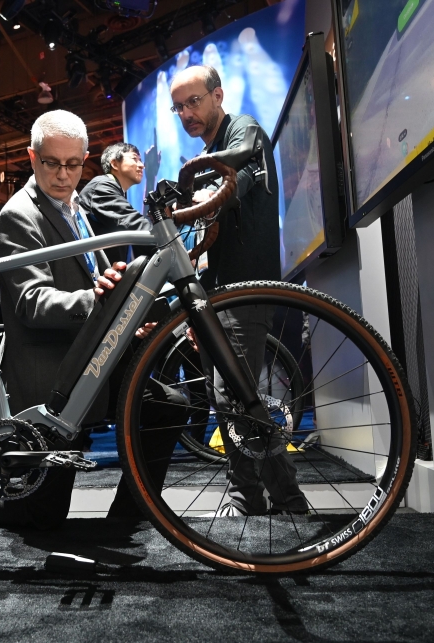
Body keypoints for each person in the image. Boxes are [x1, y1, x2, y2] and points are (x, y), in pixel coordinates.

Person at [0, 110, 187, 529]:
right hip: (54, 377)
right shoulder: (19, 214)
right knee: (39, 518)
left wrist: (125, 316)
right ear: (32, 157)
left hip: (93, 361)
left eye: (73, 164)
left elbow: (99, 272)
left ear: (86, 159)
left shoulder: (76, 207)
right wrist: (96, 302)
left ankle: (130, 516)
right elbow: (31, 304)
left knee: (168, 405)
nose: (63, 174)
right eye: (51, 163)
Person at [171, 65, 306, 515]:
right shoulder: (213, 148)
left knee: (232, 395)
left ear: (217, 95)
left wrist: (201, 196)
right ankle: (288, 497)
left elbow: (238, 173)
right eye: (178, 108)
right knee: (232, 397)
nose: (186, 113)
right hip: (217, 295)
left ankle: (245, 497)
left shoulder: (242, 130)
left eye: (193, 102)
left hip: (245, 289)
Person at [78, 142, 153, 264]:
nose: (141, 165)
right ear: (114, 164)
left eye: (141, 160)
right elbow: (135, 225)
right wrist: (165, 239)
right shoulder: (101, 187)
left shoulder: (111, 189)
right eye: (135, 159)